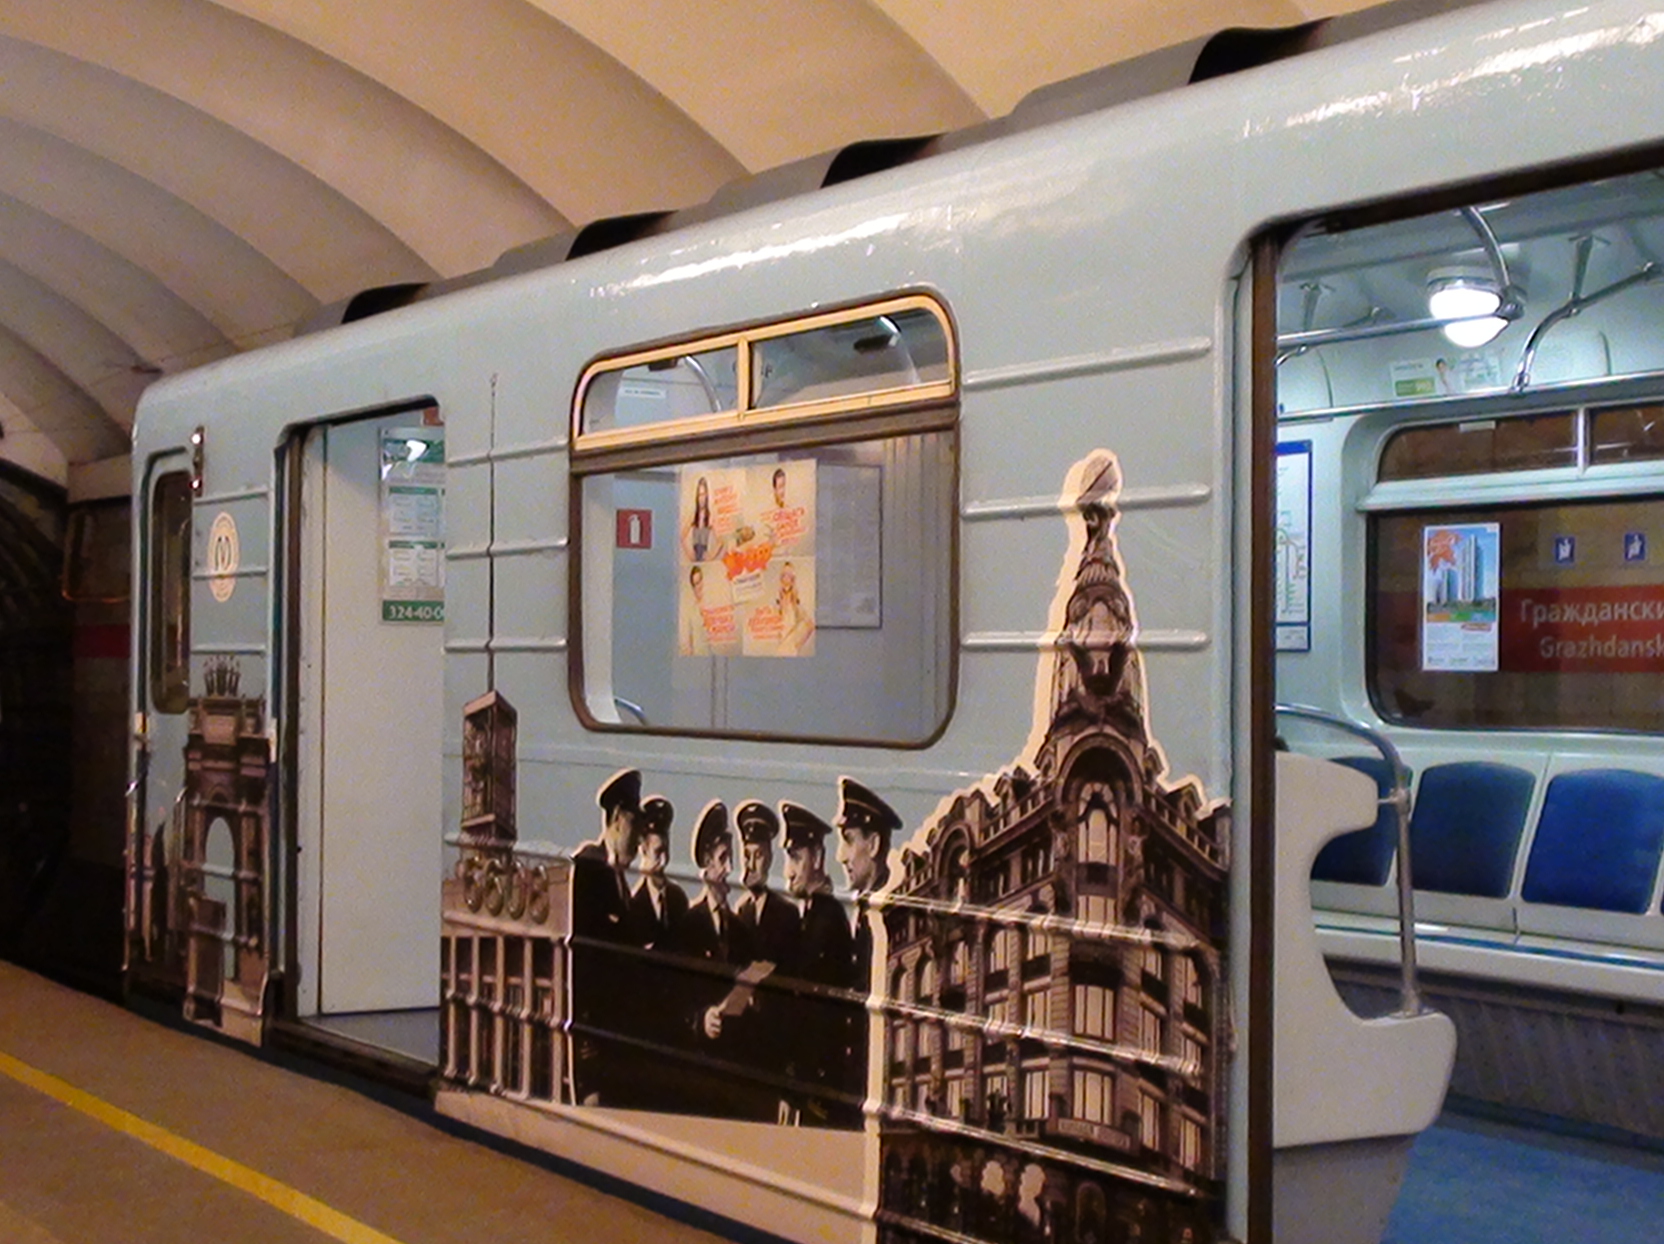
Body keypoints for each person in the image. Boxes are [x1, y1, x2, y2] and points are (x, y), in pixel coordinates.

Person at [778, 800, 859, 1126]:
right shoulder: (815, 913)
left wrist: (796, 1089)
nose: (788, 871)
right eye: (788, 858)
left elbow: (815, 1015)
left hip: (818, 1089)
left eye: (796, 858)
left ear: (817, 858)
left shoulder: (826, 919)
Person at [571, 768, 643, 1106]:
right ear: (616, 818)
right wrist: (583, 1029)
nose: (639, 839)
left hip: (616, 1038)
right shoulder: (590, 869)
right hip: (594, 1040)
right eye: (635, 825)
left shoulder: (619, 881)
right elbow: (580, 955)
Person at [734, 801, 798, 966]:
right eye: (747, 855)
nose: (751, 865)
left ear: (769, 859)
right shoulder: (743, 911)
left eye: (758, 856)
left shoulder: (787, 913)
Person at [628, 796, 688, 951]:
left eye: (666, 850)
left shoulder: (678, 899)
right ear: (643, 850)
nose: (664, 860)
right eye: (658, 852)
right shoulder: (633, 906)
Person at [775, 561, 815, 655]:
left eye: (789, 575)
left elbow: (810, 625)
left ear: (793, 579)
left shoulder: (795, 604)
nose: (786, 578)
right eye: (784, 574)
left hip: (790, 650)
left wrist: (798, 644)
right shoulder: (778, 602)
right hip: (780, 649)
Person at [682, 475, 723, 563]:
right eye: (700, 495)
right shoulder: (693, 515)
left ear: (707, 496)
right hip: (694, 560)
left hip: (704, 560)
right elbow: (682, 537)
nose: (702, 498)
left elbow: (720, 542)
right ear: (697, 497)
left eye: (704, 494)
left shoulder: (710, 516)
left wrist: (711, 556)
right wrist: (689, 553)